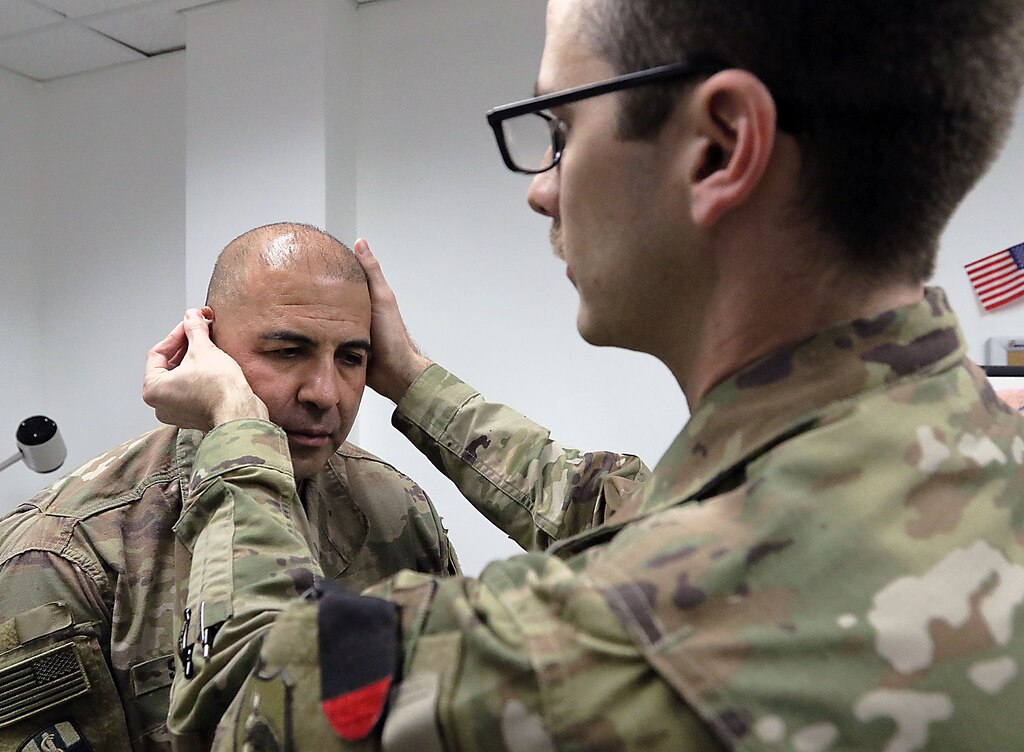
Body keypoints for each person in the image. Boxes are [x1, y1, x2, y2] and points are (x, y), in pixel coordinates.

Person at [148, 0, 1024, 749]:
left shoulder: (615, 635)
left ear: (720, 148)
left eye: (562, 130)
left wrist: (237, 430)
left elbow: (239, 702)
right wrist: (410, 378)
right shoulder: (969, 457)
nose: (542, 189)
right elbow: (620, 507)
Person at [0, 223, 458, 752]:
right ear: (207, 349)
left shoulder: (393, 508)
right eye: (288, 351)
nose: (325, 393)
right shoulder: (61, 555)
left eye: (351, 358)